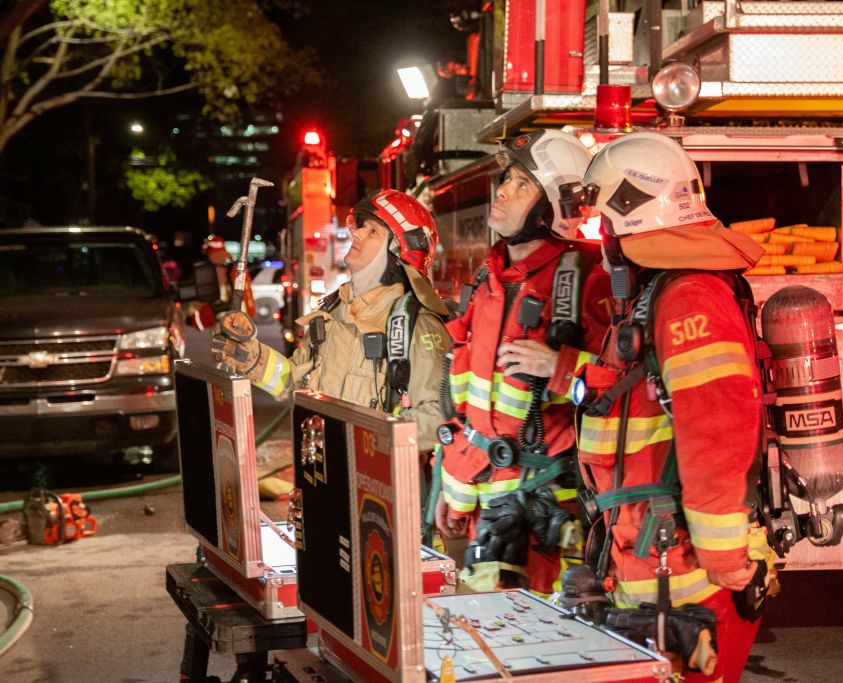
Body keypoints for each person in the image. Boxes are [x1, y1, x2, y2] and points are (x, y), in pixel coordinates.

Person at [556, 131, 771, 683]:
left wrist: (724, 558)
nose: (600, 238)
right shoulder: (657, 294)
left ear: (631, 211)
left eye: (603, 223)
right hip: (652, 551)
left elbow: (717, 429)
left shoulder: (688, 298)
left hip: (686, 572)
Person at [431, 129, 612, 595]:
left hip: (550, 522)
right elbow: (468, 409)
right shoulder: (489, 278)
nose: (503, 191)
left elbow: (627, 389)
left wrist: (561, 367)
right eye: (506, 179)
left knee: (549, 636)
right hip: (489, 515)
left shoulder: (587, 280)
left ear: (554, 207)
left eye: (522, 183)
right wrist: (452, 489)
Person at [211, 190, 451, 453]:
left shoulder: (417, 327)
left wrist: (372, 440)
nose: (357, 234)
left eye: (373, 232)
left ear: (397, 254)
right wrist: (252, 358)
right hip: (325, 471)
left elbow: (438, 416)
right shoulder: (334, 314)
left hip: (374, 476)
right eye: (361, 226)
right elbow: (293, 382)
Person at [190, 234, 255, 331]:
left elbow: (215, 296)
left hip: (225, 321)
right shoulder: (234, 265)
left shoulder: (215, 265)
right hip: (243, 320)